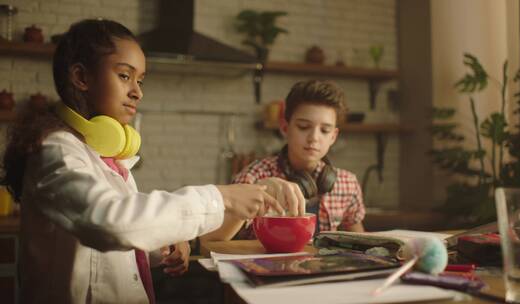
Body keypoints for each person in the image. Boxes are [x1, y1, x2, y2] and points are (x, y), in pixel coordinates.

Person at [0, 19, 303, 304]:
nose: (137, 91)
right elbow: (112, 222)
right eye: (124, 75)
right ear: (81, 77)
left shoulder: (107, 157)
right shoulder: (56, 151)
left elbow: (114, 248)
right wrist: (219, 196)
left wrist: (162, 246)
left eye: (140, 80)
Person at [201, 80, 366, 241]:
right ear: (285, 128)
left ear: (333, 136)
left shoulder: (348, 183)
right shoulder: (254, 176)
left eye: (324, 130)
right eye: (303, 127)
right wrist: (257, 192)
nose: (314, 138)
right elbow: (211, 240)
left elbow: (360, 243)